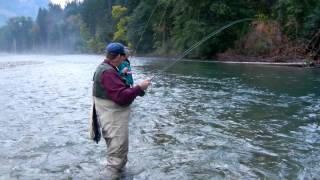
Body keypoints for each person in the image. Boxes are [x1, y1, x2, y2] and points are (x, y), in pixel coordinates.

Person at [91, 42, 150, 178]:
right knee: (117, 156)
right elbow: (122, 97)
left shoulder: (107, 68)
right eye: (123, 56)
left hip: (109, 118)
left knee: (116, 153)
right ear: (117, 56)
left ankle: (117, 174)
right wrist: (139, 88)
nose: (125, 59)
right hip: (113, 120)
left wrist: (135, 87)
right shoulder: (108, 73)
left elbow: (117, 89)